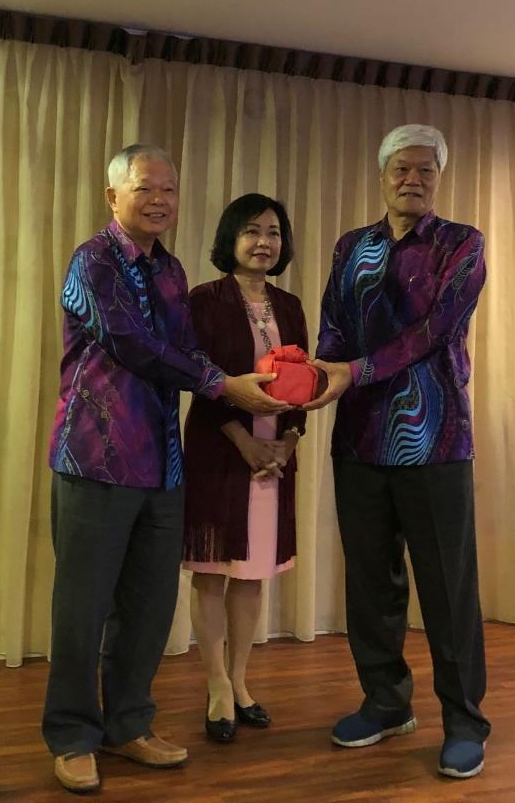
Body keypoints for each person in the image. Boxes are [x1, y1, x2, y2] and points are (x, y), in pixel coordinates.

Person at [43, 144, 289, 794]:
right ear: (113, 197)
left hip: (163, 465)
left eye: (170, 191)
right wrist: (223, 385)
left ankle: (128, 724)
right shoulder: (92, 262)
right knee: (83, 608)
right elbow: (134, 345)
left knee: (148, 609)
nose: (160, 201)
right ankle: (71, 734)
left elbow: (183, 348)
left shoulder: (173, 270)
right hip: (95, 458)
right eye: (146, 189)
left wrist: (236, 381)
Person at [305, 123, 491, 780]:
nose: (412, 180)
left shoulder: (461, 245)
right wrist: (313, 372)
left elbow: (431, 332)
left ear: (438, 180)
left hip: (436, 440)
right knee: (370, 583)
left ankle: (466, 722)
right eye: (400, 170)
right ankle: (386, 703)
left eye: (425, 171)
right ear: (382, 176)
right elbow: (334, 322)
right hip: (357, 441)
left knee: (448, 588)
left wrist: (350, 373)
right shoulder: (351, 247)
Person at [182, 194, 308, 743]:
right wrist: (240, 438)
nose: (264, 242)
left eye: (274, 232)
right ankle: (214, 686)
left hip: (272, 461)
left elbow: (303, 382)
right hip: (219, 451)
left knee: (252, 574)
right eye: (252, 231)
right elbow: (196, 375)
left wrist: (289, 442)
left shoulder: (291, 304)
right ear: (230, 239)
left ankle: (240, 682)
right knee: (213, 569)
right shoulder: (203, 300)